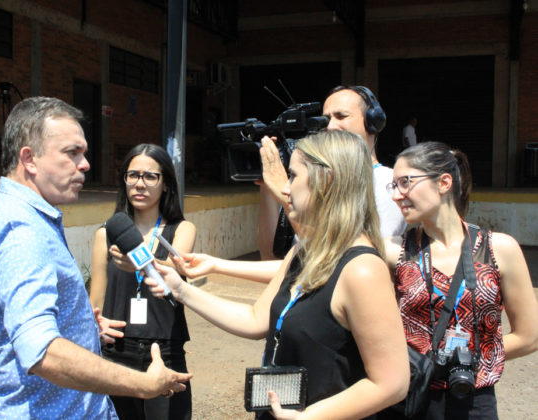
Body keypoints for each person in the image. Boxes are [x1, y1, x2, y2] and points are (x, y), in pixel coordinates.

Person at [150, 130, 410, 419]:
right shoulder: (306, 250)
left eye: (293, 176)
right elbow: (255, 319)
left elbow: (392, 383)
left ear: (328, 181)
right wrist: (181, 290)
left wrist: (308, 417)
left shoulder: (362, 270)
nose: (285, 189)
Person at [0, 97, 191, 419]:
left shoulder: (32, 218)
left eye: (83, 153)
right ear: (29, 159)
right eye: (72, 153)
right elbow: (42, 351)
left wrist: (83, 328)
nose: (85, 164)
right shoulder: (21, 233)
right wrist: (143, 384)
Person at [383, 141, 538, 419]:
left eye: (405, 182)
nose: (396, 195)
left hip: (473, 398)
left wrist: (471, 356)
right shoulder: (393, 251)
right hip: (410, 396)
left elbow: (529, 336)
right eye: (393, 186)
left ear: (444, 183)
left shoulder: (499, 249)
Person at [89, 143, 196, 420]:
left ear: (166, 184)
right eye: (132, 175)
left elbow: (172, 273)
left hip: (165, 352)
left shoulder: (181, 230)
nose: (140, 183)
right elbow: (95, 303)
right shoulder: (106, 234)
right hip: (116, 353)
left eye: (150, 176)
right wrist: (95, 325)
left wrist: (140, 261)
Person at [258, 85, 406, 259]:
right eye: (326, 118)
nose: (330, 125)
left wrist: (284, 197)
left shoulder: (390, 182)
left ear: (373, 122)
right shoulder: (310, 180)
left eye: (341, 116)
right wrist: (267, 184)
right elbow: (271, 256)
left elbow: (355, 258)